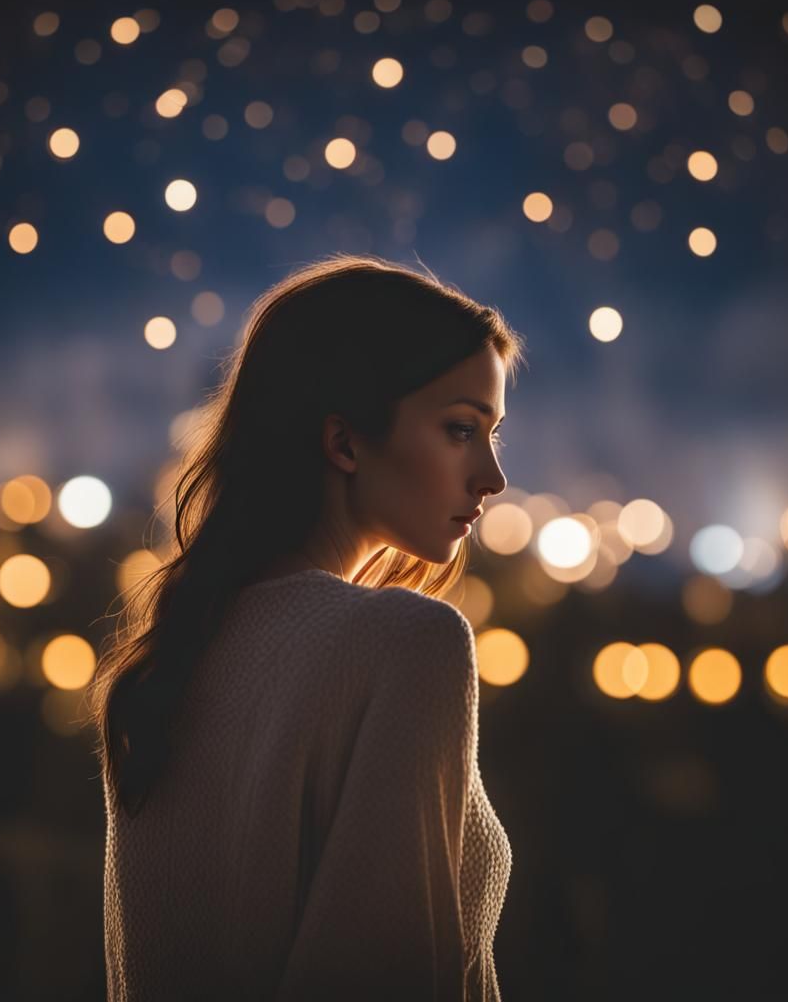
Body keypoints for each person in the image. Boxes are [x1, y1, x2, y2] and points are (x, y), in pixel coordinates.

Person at [85, 252, 528, 1000]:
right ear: (346, 442)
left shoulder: (172, 658)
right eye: (459, 429)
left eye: (492, 435)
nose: (492, 476)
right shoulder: (406, 643)